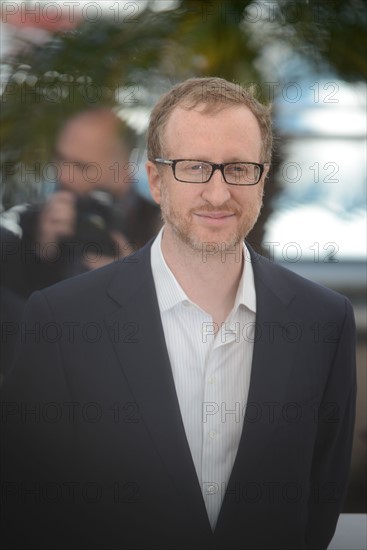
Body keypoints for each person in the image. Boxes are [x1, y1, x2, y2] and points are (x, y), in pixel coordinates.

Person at [1, 77, 356, 550]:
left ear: (262, 177)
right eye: (193, 168)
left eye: (238, 168)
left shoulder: (324, 323)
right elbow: (26, 508)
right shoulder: (61, 321)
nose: (217, 193)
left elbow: (319, 503)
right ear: (155, 179)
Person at [1, 108, 161, 298]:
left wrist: (138, 279)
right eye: (60, 158)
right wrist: (41, 253)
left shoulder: (160, 230)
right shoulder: (29, 224)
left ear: (123, 168)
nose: (64, 175)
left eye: (81, 166)